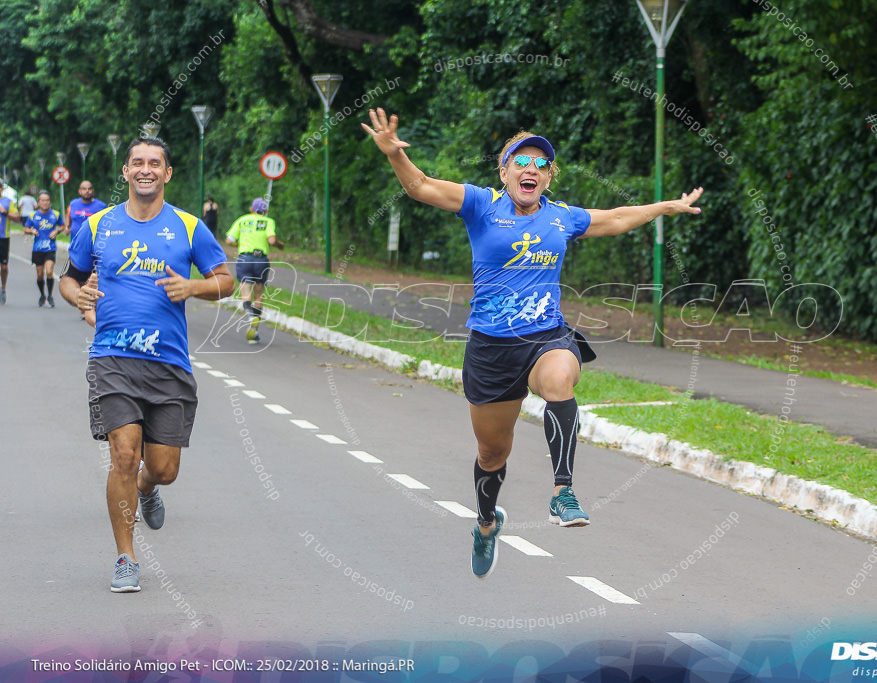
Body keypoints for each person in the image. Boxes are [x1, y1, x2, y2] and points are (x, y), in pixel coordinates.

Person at [362, 107, 704, 578]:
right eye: (521, 162)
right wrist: (393, 155)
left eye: (542, 165)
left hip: (546, 335)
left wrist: (663, 208)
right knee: (492, 454)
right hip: (491, 347)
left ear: (549, 178)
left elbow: (619, 217)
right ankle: (485, 523)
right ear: (504, 173)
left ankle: (563, 491)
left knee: (561, 378)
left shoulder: (563, 218)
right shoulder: (481, 204)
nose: (532, 170)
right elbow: (421, 187)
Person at [59, 136, 233, 592]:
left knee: (163, 468)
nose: (146, 169)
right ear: (125, 171)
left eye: (155, 163)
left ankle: (147, 487)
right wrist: (78, 296)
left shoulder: (189, 227)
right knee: (123, 454)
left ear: (167, 173)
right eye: (137, 162)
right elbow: (69, 279)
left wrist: (193, 289)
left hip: (169, 363)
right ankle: (125, 558)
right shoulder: (97, 225)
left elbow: (226, 279)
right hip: (113, 358)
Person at [225, 197, 284, 343]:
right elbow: (271, 240)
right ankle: (254, 331)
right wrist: (279, 244)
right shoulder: (268, 221)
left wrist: (240, 244)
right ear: (266, 211)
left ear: (251, 209)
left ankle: (251, 317)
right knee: (259, 295)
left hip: (245, 259)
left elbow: (229, 240)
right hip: (261, 260)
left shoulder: (242, 220)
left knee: (245, 293)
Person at [23, 190, 63, 308]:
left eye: (47, 200)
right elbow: (25, 228)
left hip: (50, 248)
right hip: (37, 249)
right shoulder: (33, 215)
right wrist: (31, 231)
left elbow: (62, 225)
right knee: (40, 275)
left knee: (49, 271)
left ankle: (50, 295)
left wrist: (57, 231)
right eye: (43, 200)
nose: (45, 203)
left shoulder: (55, 214)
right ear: (38, 202)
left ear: (49, 202)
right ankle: (42, 295)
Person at [0, 181, 19, 304]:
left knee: (4, 267)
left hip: (3, 237)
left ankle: (3, 289)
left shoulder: (7, 202)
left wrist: (5, 212)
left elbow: (17, 218)